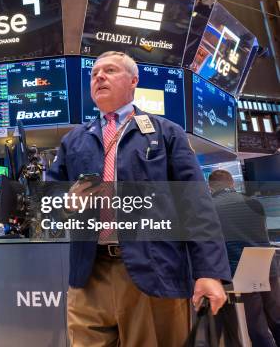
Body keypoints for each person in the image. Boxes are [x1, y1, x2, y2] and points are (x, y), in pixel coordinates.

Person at [48, 51, 230, 346]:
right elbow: (51, 199)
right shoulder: (75, 139)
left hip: (154, 271)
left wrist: (208, 272)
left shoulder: (165, 132)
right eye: (94, 74)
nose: (99, 77)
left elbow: (196, 206)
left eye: (110, 71)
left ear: (133, 81)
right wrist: (66, 203)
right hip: (88, 275)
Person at [209, 169, 280, 347]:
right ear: (232, 183)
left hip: (241, 269)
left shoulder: (210, 208)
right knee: (276, 315)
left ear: (210, 187)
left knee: (256, 323)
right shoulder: (254, 202)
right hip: (266, 264)